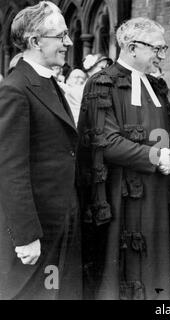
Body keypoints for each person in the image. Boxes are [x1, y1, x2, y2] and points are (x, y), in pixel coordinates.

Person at [77, 17, 170, 300]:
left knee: (155, 275)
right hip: (121, 195)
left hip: (156, 195)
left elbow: (162, 135)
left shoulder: (157, 86)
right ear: (132, 47)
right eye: (157, 48)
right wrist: (156, 156)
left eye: (164, 48)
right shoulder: (101, 84)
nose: (162, 55)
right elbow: (104, 141)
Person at [0, 1, 82, 299]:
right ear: (35, 41)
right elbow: (10, 170)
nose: (68, 42)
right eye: (60, 36)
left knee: (55, 293)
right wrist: (26, 237)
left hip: (59, 222)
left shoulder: (45, 81)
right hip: (38, 232)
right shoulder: (16, 89)